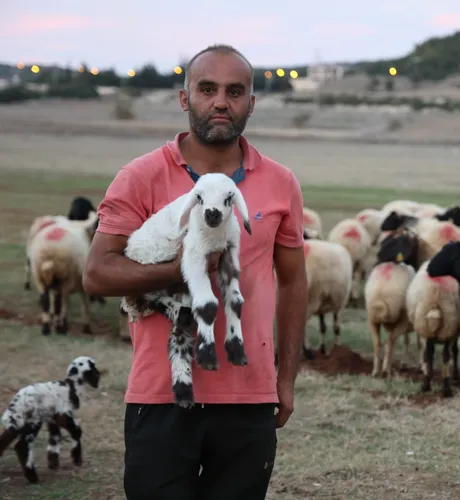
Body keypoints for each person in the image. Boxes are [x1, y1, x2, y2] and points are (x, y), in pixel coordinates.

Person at [83, 44, 308, 500]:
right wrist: (181, 270)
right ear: (185, 98)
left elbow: (294, 281)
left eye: (235, 91)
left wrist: (286, 379)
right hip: (161, 396)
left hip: (249, 399)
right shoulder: (141, 176)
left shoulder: (280, 183)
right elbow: (98, 274)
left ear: (251, 102)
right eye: (207, 89)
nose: (221, 102)